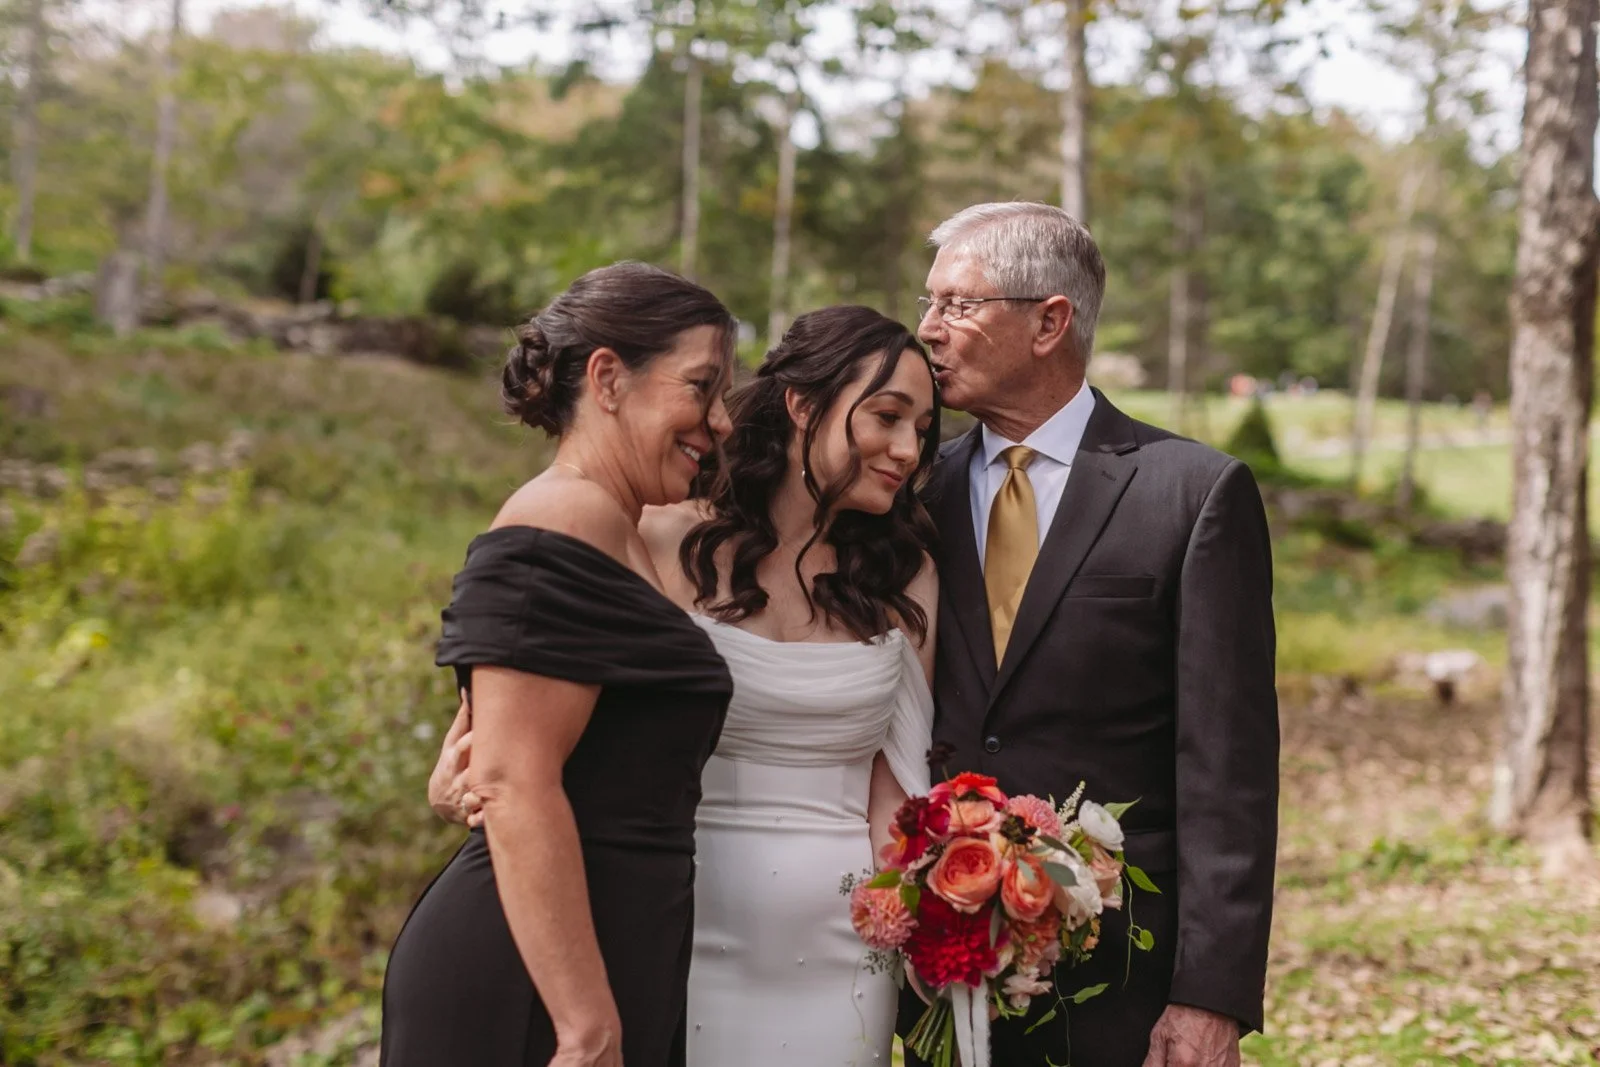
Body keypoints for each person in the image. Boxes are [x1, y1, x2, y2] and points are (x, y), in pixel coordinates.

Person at [432, 304, 942, 1066]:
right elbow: (520, 700)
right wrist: (462, 768)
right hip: (676, 924)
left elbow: (891, 788)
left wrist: (929, 919)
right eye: (887, 416)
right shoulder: (662, 536)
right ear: (803, 406)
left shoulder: (907, 576)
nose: (907, 449)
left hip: (842, 945)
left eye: (924, 429)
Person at [906, 202, 1278, 1067]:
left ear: (1050, 321)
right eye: (928, 302)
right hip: (930, 966)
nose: (928, 328)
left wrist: (1209, 993)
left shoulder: (1192, 494)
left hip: (1122, 980)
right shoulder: (907, 492)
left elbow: (1228, 767)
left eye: (958, 304)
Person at [382, 261, 738, 1067]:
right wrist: (586, 1029)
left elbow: (499, 742)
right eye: (701, 387)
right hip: (539, 991)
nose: (718, 420)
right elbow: (513, 780)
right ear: (608, 377)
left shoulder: (621, 529)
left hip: (610, 955)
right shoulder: (559, 518)